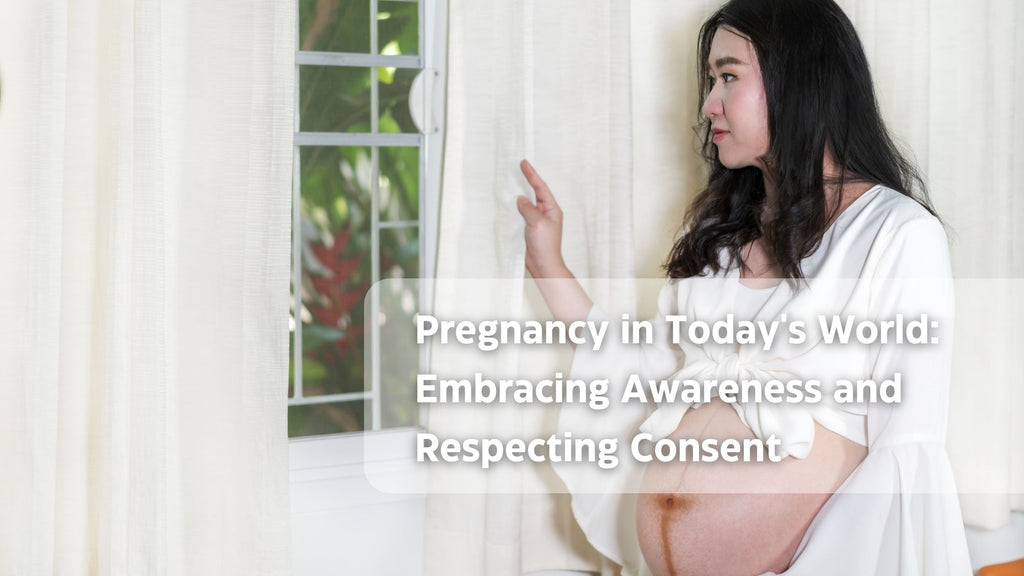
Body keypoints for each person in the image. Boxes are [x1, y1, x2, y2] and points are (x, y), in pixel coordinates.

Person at [516, 0, 972, 575]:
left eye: (728, 76)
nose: (708, 105)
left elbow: (905, 453)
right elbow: (641, 373)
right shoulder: (720, 239)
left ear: (797, 79)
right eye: (711, 80)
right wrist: (548, 266)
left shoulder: (898, 235)